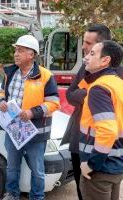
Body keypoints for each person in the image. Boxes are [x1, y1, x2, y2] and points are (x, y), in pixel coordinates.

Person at [0, 35, 60, 200]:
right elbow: (2, 92)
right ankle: (12, 194)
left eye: (20, 50)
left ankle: (37, 197)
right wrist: (1, 101)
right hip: (13, 129)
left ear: (31, 55)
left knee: (37, 170)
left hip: (35, 133)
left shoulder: (45, 76)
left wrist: (33, 112)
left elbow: (54, 103)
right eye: (16, 50)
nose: (16, 54)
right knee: (12, 167)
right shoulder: (10, 73)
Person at [60, 24, 112, 200]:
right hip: (78, 140)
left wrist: (92, 93)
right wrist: (91, 94)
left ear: (101, 46)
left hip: (101, 148)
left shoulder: (117, 73)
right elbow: (69, 94)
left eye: (88, 43)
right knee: (82, 190)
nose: (83, 47)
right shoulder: (86, 67)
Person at [78, 40, 123, 200]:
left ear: (105, 60)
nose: (86, 58)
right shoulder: (118, 84)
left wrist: (91, 164)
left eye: (92, 53)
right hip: (116, 166)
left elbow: (108, 131)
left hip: (99, 170)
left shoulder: (99, 88)